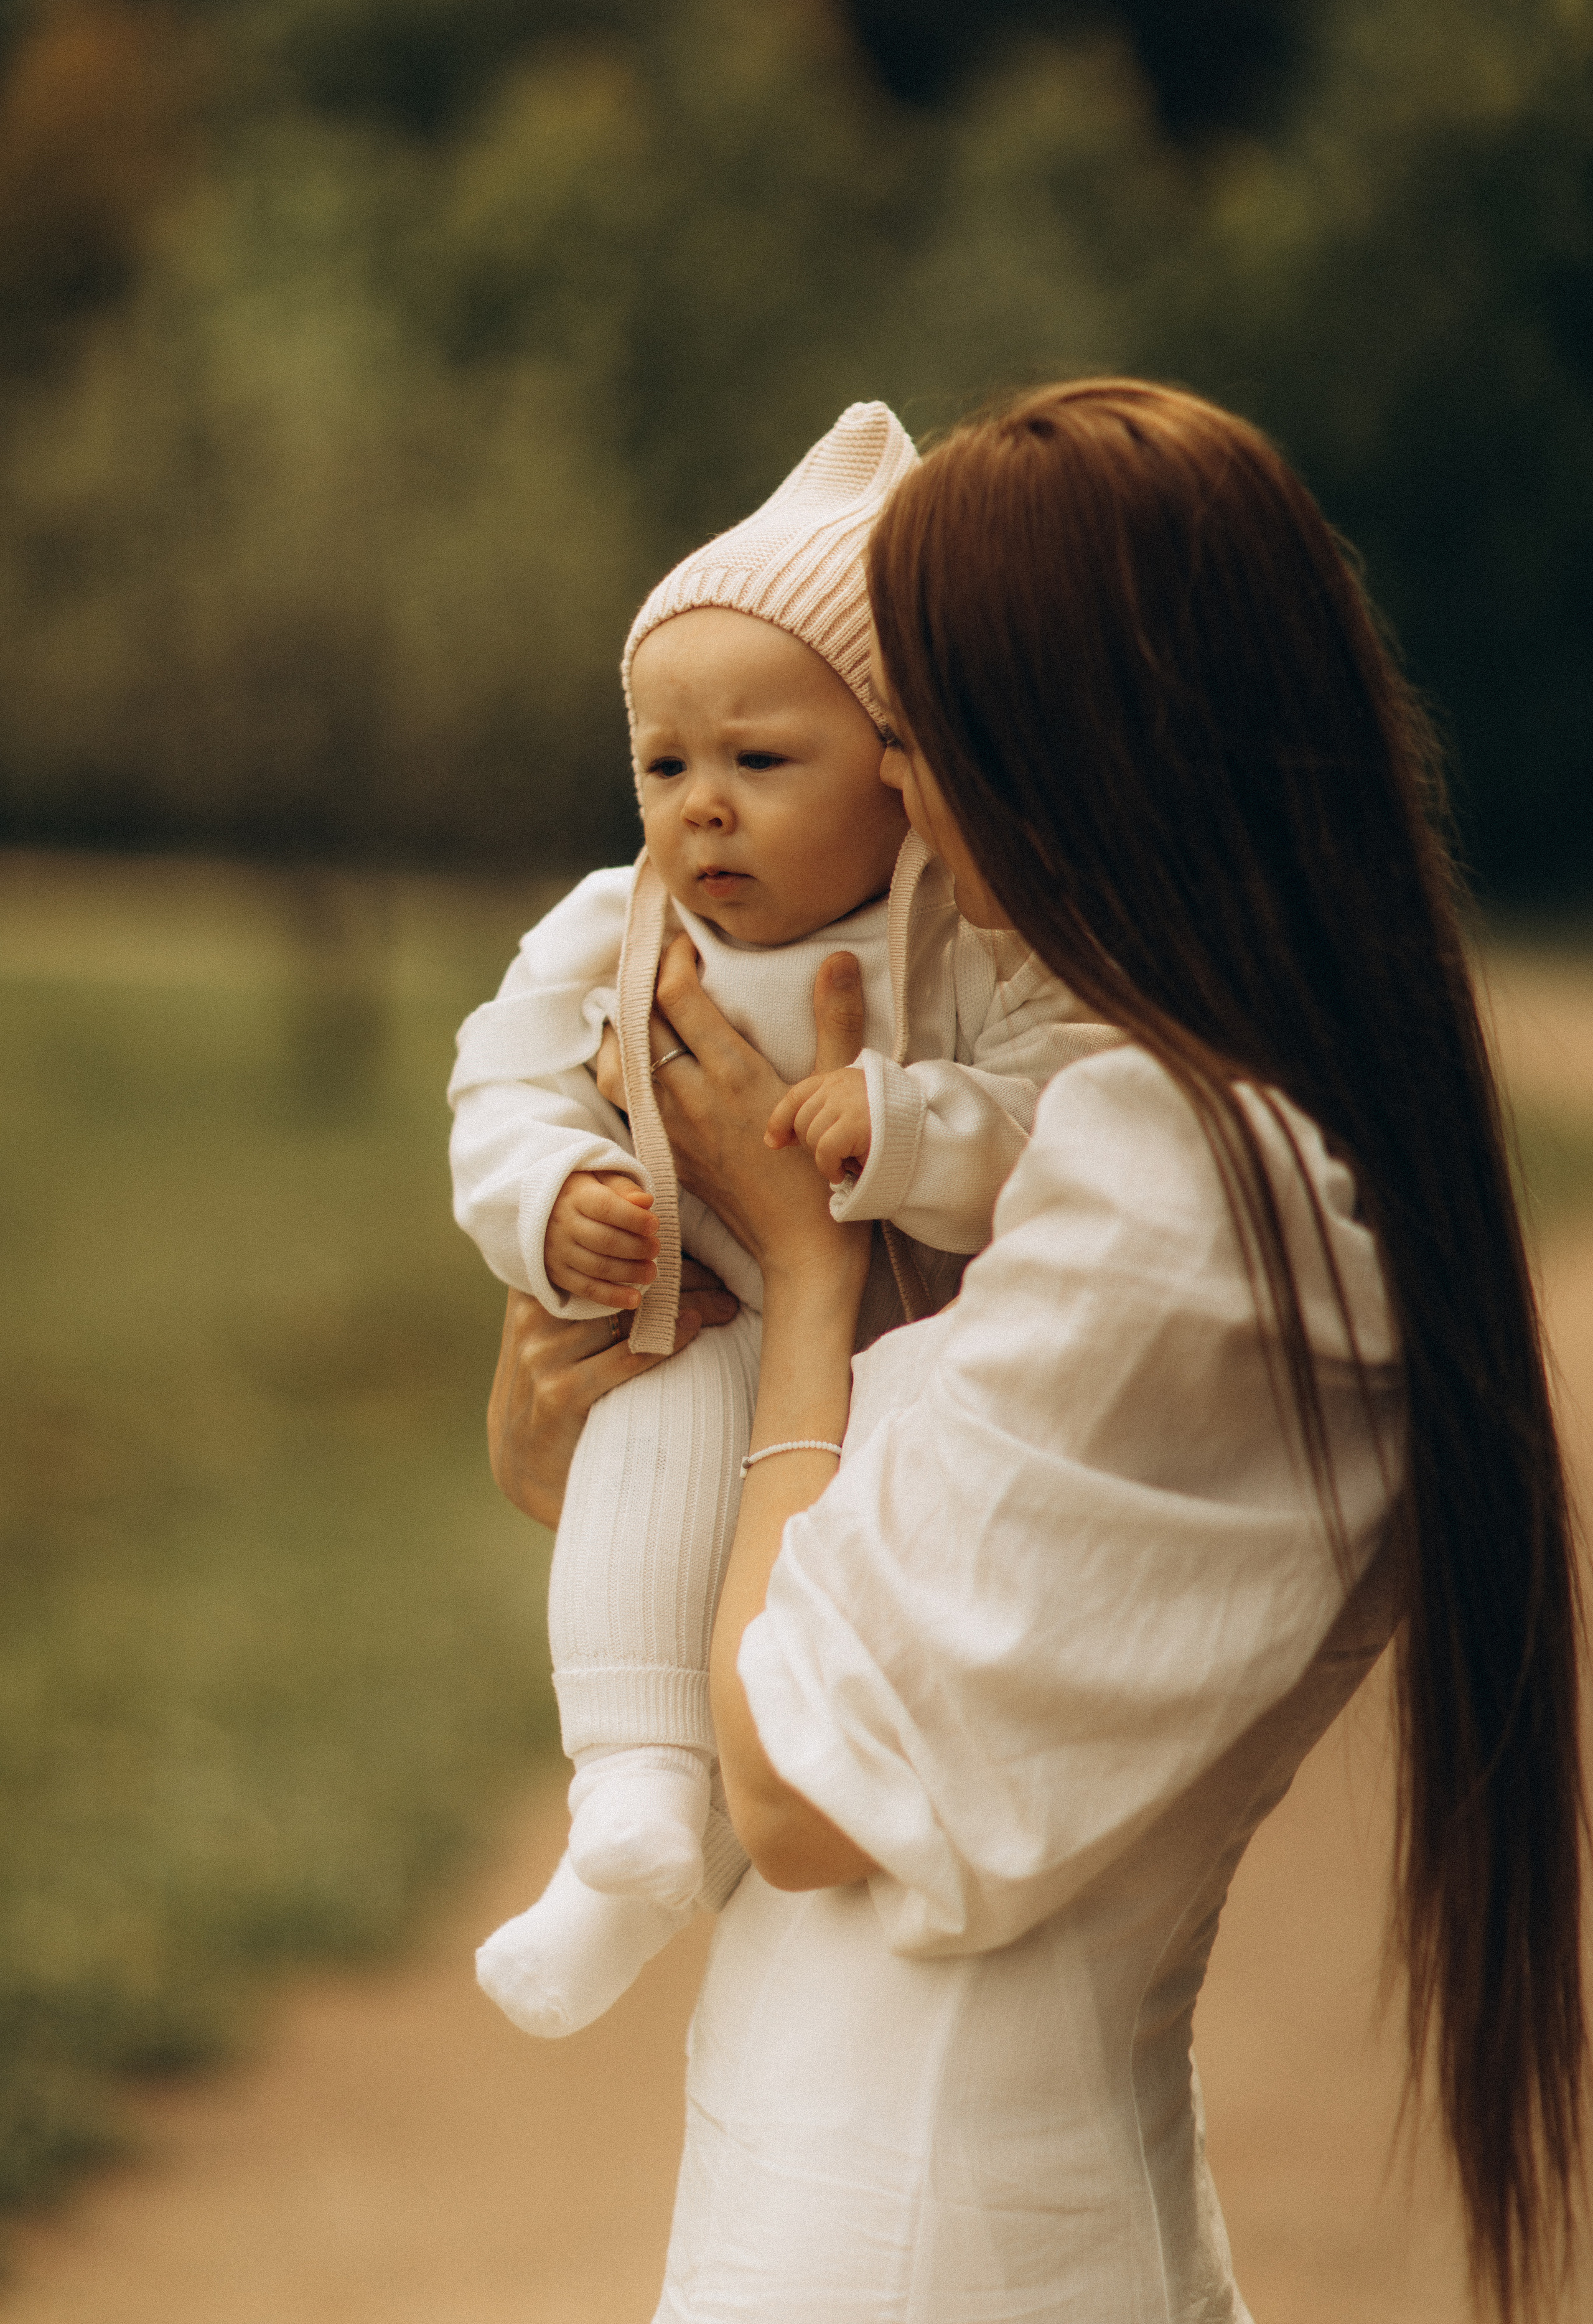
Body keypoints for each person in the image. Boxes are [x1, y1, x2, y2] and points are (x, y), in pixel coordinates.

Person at [485, 379, 1587, 2322]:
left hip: (917, 2242)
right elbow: (851, 1557)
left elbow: (802, 1794)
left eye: (911, 738)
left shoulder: (1192, 1184)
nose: (890, 804)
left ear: (1077, 756)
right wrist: (577, 1400)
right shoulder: (1159, 1145)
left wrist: (815, 1286)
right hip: (882, 2199)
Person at [449, 401, 1118, 2039]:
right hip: (693, 1314)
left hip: (889, 1361)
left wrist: (902, 1127)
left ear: (900, 778)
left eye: (760, 761)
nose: (703, 811)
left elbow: (1043, 1113)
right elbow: (499, 1085)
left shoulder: (956, 947)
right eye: (665, 767)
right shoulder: (613, 924)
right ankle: (629, 1813)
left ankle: (733, 1821)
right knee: (643, 1444)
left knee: (823, 1655)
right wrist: (554, 1199)